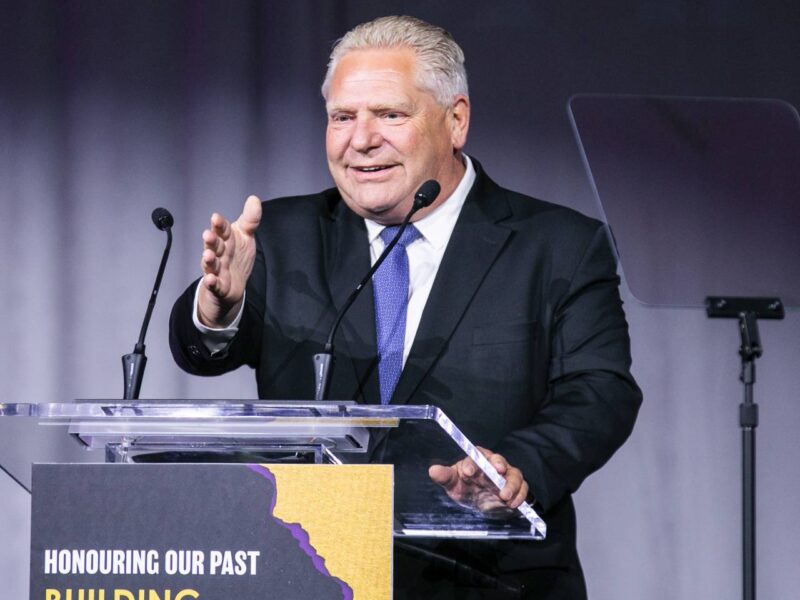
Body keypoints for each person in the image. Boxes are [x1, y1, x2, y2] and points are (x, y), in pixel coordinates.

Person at [170, 15, 641, 599]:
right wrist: (219, 308)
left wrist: (515, 466)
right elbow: (204, 353)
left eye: (390, 114)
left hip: (489, 579)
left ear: (456, 120)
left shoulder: (557, 246)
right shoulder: (283, 235)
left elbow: (600, 392)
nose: (360, 139)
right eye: (343, 117)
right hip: (316, 573)